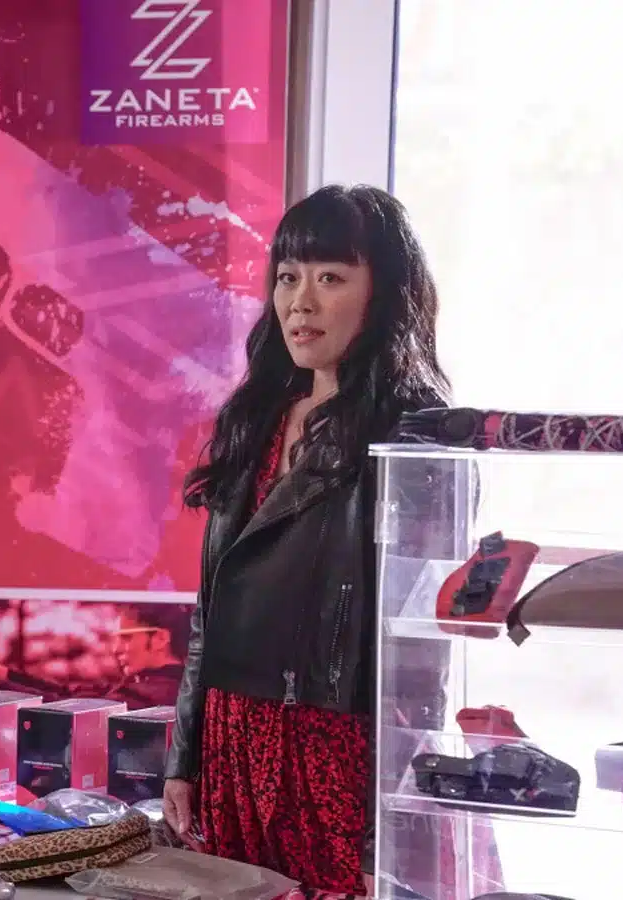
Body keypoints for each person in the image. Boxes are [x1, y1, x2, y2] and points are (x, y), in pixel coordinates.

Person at [160, 185, 452, 897]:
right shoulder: (256, 416)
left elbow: (423, 646)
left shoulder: (414, 434)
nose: (301, 303)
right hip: (233, 739)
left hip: (335, 748)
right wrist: (183, 758)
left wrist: (395, 810)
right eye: (288, 277)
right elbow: (210, 610)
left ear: (385, 294)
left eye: (331, 277)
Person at [0, 606, 187, 708]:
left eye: (126, 638)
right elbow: (68, 694)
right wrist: (0, 673)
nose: (116, 649)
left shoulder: (153, 695)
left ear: (160, 639)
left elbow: (62, 707)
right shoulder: (157, 686)